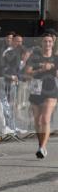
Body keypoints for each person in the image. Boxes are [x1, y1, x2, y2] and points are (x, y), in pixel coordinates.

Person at [24, 30, 58, 158]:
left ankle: (43, 147)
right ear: (41, 43)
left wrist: (53, 69)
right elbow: (27, 72)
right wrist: (40, 69)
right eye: (45, 41)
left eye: (50, 41)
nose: (47, 43)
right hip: (36, 90)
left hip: (51, 91)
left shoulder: (56, 58)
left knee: (45, 119)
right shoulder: (34, 57)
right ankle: (41, 144)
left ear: (53, 43)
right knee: (37, 121)